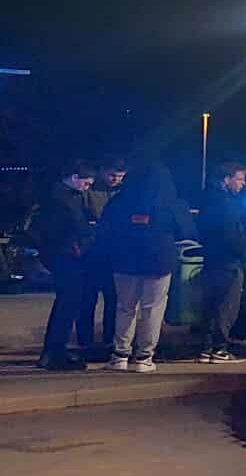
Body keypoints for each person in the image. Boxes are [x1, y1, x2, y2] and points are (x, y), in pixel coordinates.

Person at [102, 161, 193, 374]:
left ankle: (120, 355)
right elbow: (187, 231)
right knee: (152, 310)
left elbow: (106, 229)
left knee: (125, 308)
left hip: (124, 262)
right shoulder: (172, 204)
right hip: (159, 262)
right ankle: (144, 357)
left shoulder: (119, 201)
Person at [33, 161, 97, 371]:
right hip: (68, 256)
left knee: (65, 304)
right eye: (86, 183)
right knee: (68, 304)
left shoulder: (55, 195)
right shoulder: (65, 199)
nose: (87, 188)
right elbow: (77, 225)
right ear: (75, 177)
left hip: (59, 255)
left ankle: (52, 352)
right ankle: (54, 353)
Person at [193, 160, 246, 363]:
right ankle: (220, 348)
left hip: (211, 259)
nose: (243, 184)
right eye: (240, 179)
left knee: (210, 304)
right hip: (229, 261)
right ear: (227, 180)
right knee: (227, 306)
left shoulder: (208, 199)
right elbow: (233, 234)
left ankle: (206, 348)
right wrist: (245, 253)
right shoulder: (227, 204)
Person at [77, 155, 125, 356]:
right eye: (113, 175)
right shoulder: (89, 192)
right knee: (87, 298)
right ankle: (84, 340)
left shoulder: (123, 193)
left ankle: (109, 339)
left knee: (113, 299)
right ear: (103, 172)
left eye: (121, 176)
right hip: (91, 253)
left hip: (112, 255)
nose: (116, 180)